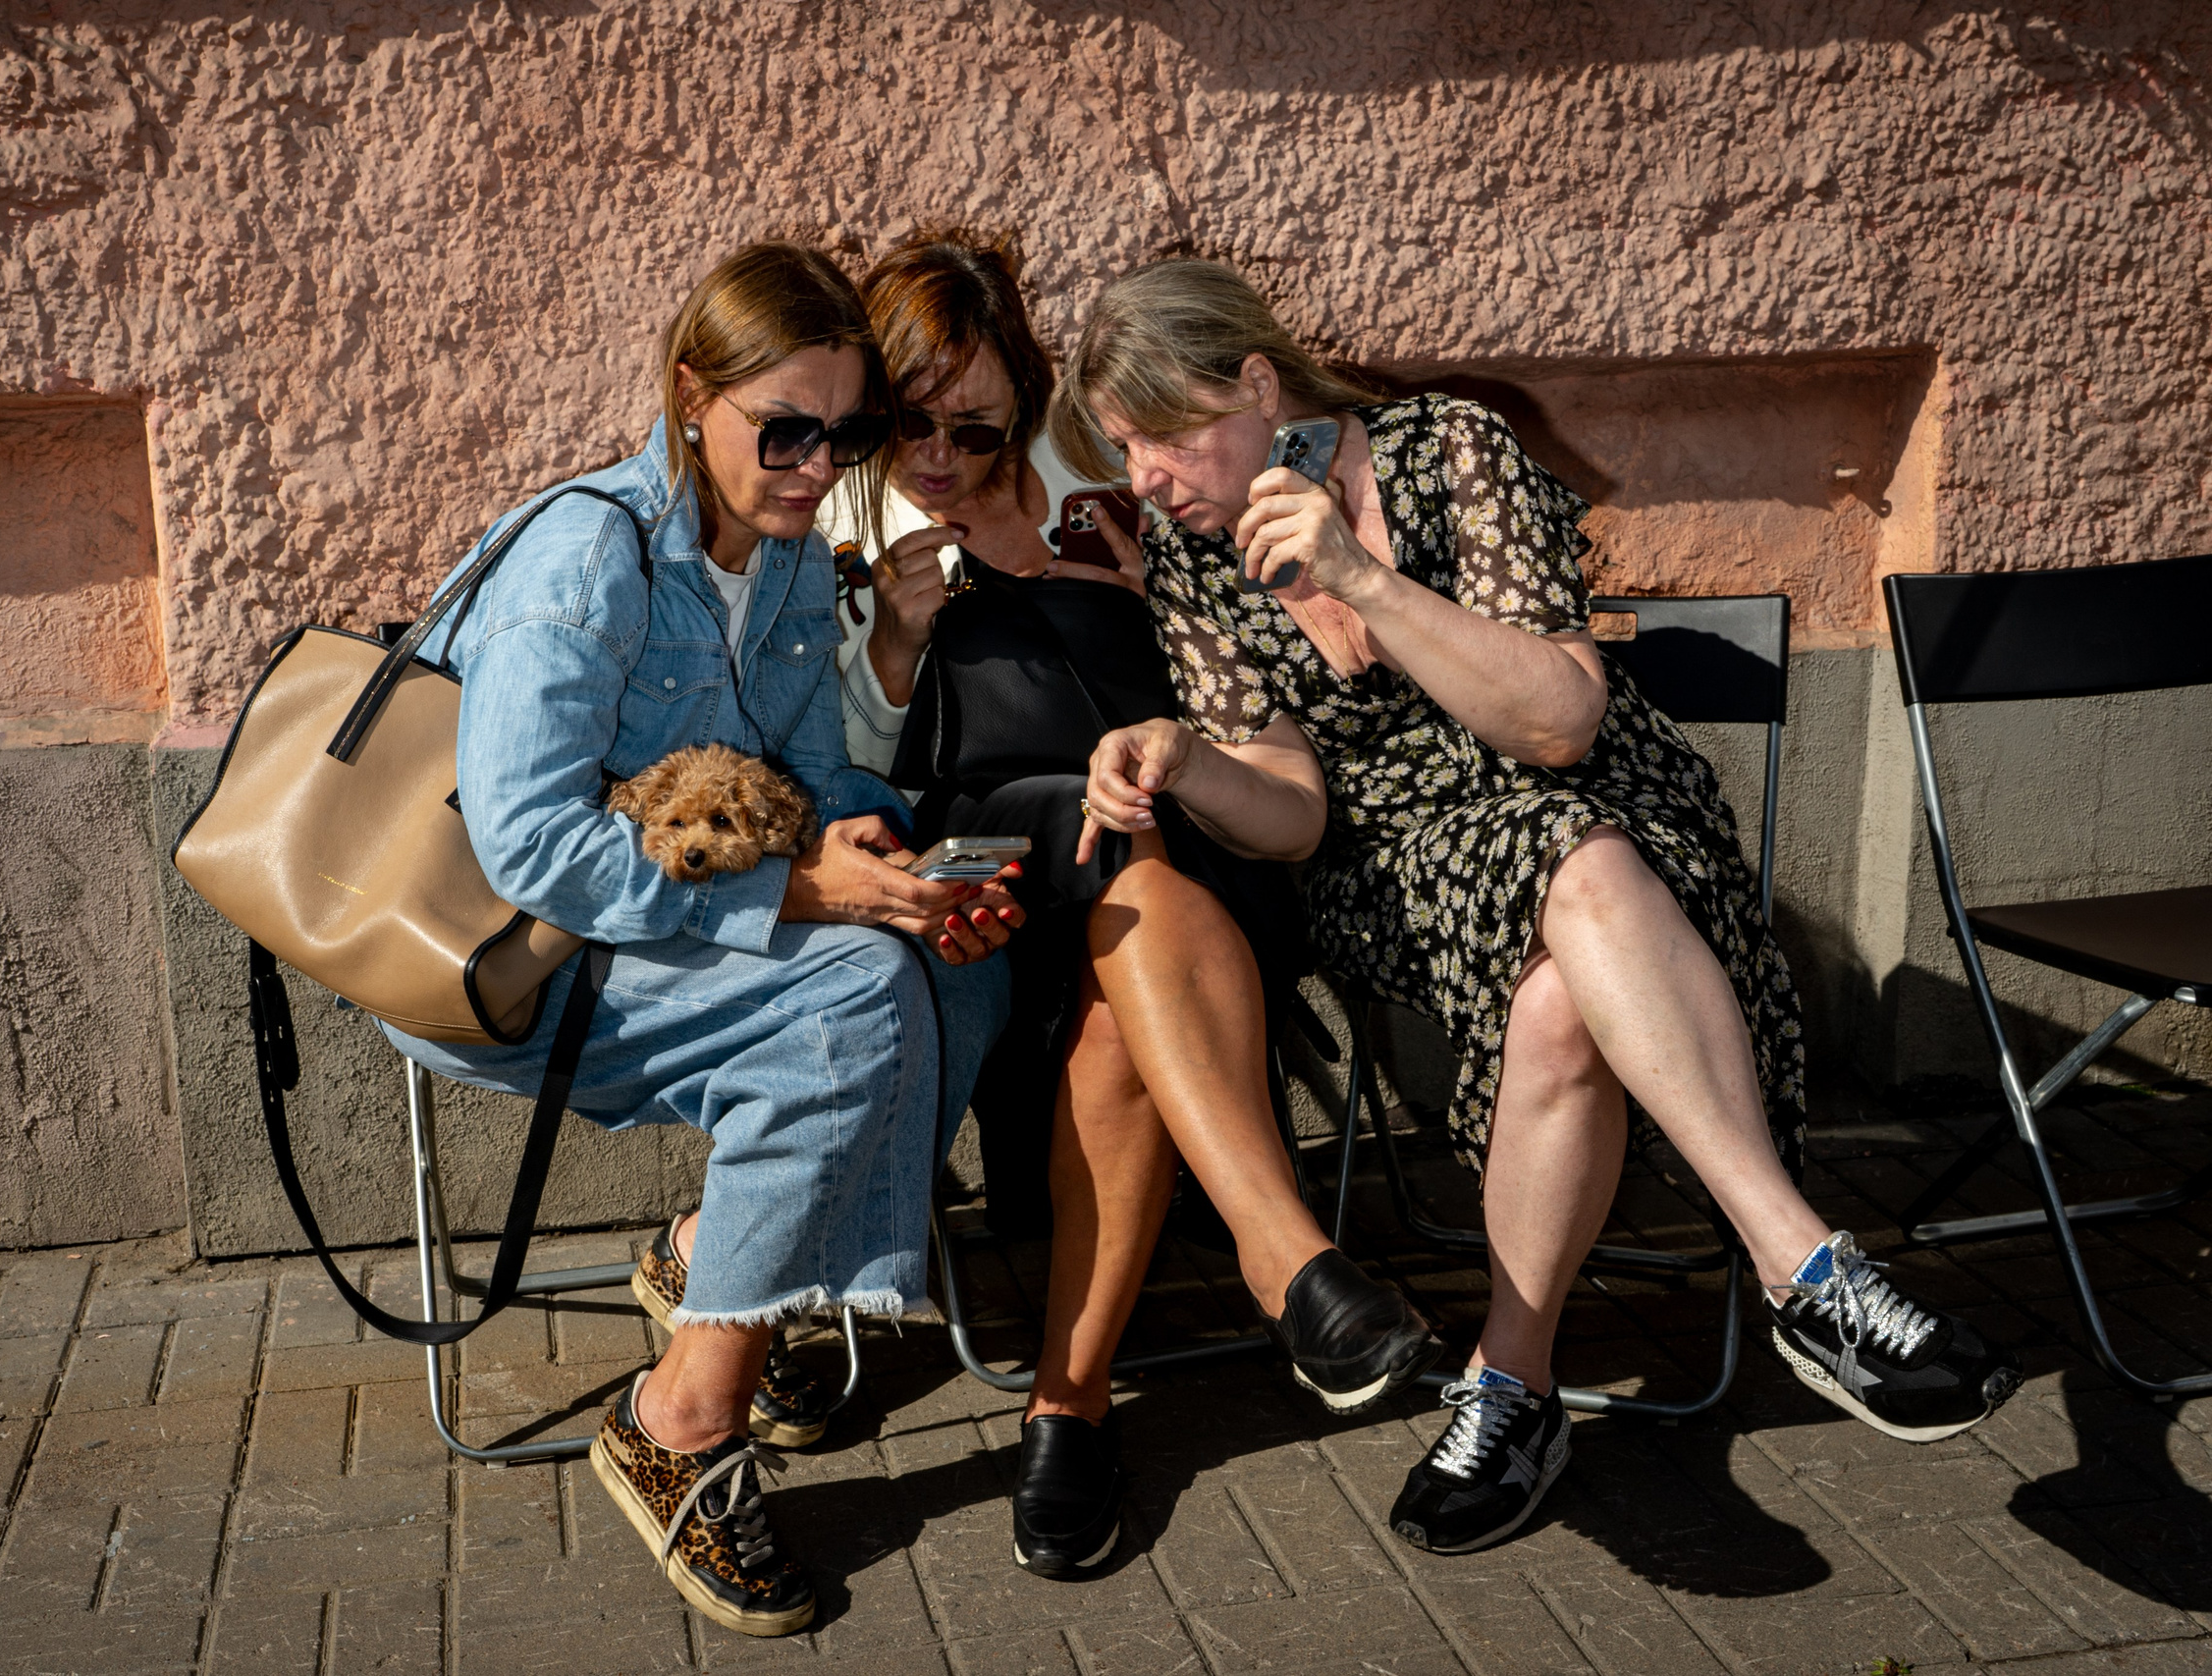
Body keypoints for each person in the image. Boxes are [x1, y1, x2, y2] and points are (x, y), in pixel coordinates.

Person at [1054, 258, 2025, 1557]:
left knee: (1571, 933)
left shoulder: (1448, 449)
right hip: (1402, 865)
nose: (1149, 482)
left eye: (1165, 438)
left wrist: (1362, 578)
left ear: (1257, 383)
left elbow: (1563, 728)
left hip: (1597, 806)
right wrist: (1191, 760)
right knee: (1573, 885)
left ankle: (1513, 1387)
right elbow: (1296, 811)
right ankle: (1807, 1271)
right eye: (1124, 452)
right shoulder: (1190, 554)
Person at [382, 242, 1021, 1638]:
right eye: (781, 428)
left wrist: (882, 855)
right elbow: (533, 847)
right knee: (855, 991)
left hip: (660, 925)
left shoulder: (787, 559)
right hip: (513, 968)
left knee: (953, 961)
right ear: (690, 395)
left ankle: (715, 1259)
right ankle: (677, 1419)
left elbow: (795, 787)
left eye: (845, 434)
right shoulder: (586, 561)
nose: (813, 464)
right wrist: (807, 899)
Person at [827, 231, 1444, 1581]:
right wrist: (891, 641)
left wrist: (1160, 584)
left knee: (1136, 920)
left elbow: (1271, 679)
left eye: (972, 421)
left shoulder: (1113, 495)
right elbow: (849, 785)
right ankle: (1290, 1267)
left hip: (1195, 874)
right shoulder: (843, 530)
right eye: (910, 419)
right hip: (1009, 904)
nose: (938, 450)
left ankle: (1072, 1402)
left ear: (1022, 398)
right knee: (1104, 851)